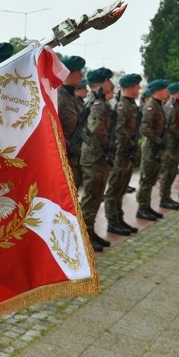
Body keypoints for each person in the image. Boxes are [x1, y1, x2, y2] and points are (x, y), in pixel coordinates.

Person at [78, 67, 115, 252]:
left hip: (97, 156)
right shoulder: (98, 105)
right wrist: (108, 146)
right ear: (102, 83)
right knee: (91, 197)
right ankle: (84, 236)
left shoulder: (99, 102)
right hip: (95, 156)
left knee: (96, 196)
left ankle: (89, 231)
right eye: (109, 80)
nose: (111, 84)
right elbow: (97, 130)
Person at [104, 73, 142, 236]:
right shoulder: (122, 106)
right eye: (137, 86)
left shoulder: (131, 104)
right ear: (131, 87)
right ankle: (113, 222)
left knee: (121, 189)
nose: (139, 88)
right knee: (114, 189)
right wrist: (131, 145)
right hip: (121, 153)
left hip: (127, 153)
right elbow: (119, 130)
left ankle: (119, 219)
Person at [135, 79, 169, 221]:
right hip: (151, 147)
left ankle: (147, 206)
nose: (167, 92)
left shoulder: (158, 105)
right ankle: (142, 208)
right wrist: (158, 140)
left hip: (156, 148)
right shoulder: (151, 106)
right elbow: (145, 128)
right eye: (165, 89)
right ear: (159, 90)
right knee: (146, 179)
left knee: (152, 178)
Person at [56, 55, 87, 187]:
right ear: (67, 73)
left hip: (75, 158)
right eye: (78, 71)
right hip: (60, 158)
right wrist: (67, 145)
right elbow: (50, 129)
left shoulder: (74, 97)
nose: (81, 74)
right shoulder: (57, 96)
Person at [157, 81, 179, 210]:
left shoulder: (178, 106)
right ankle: (164, 198)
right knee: (167, 172)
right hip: (170, 145)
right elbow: (171, 126)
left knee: (172, 172)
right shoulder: (171, 106)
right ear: (178, 92)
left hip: (175, 145)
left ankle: (167, 197)